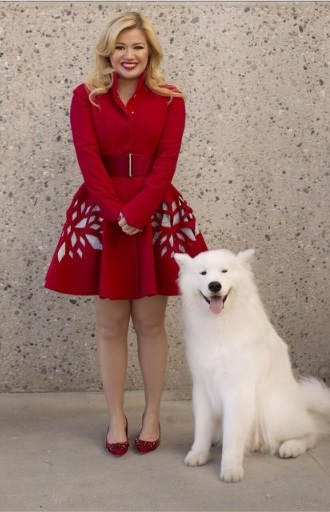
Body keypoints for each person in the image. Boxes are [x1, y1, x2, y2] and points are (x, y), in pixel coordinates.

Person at [45, 11, 208, 456]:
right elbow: (88, 156)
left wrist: (139, 210)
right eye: (120, 46)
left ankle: (151, 413)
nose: (129, 55)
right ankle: (115, 416)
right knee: (110, 325)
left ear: (150, 52)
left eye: (137, 46)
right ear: (108, 51)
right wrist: (115, 211)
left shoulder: (172, 99)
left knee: (151, 323)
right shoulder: (86, 97)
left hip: (156, 213)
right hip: (102, 212)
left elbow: (167, 158)